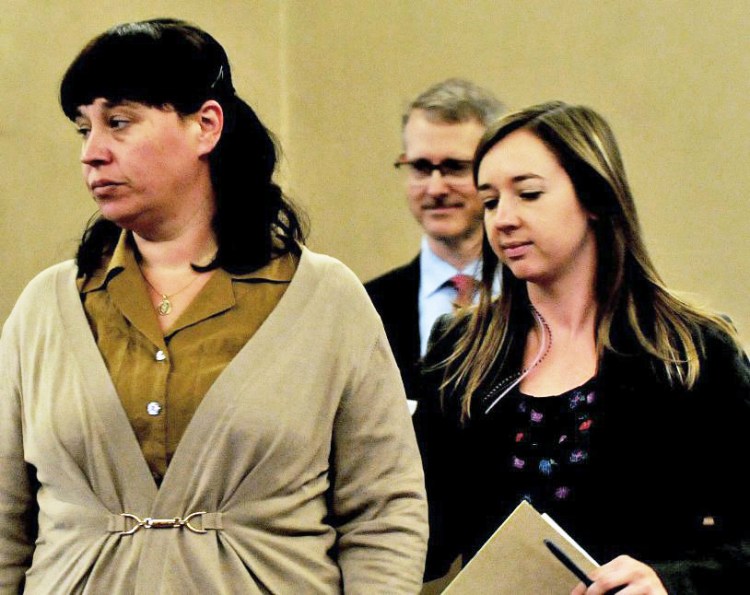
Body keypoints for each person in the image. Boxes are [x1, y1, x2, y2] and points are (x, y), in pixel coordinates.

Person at [0, 18, 427, 593]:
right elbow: (4, 522)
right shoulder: (46, 308)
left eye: (119, 123)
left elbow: (384, 513)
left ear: (205, 126)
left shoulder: (325, 299)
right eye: (84, 129)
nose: (92, 153)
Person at [414, 101, 750, 593]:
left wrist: (670, 582)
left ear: (594, 198)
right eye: (489, 202)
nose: (502, 219)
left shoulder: (690, 350)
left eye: (528, 194)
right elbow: (420, 535)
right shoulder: (461, 350)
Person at [365, 79, 504, 412]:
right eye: (421, 168)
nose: (436, 187)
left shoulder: (541, 298)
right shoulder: (366, 308)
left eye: (455, 167)